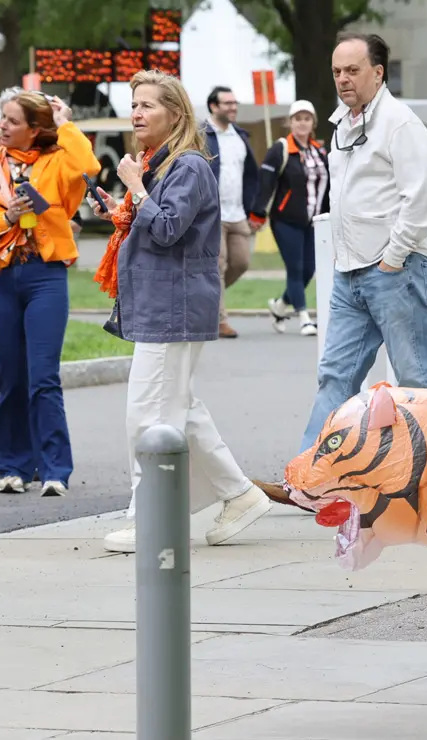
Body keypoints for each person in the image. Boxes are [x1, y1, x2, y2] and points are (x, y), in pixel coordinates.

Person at [91, 70, 273, 554]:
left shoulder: (188, 165)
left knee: (148, 417)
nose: (137, 114)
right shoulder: (162, 164)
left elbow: (169, 227)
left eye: (148, 105)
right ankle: (240, 495)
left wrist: (136, 188)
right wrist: (124, 204)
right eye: (134, 105)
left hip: (173, 308)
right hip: (160, 305)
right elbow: (156, 225)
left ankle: (150, 517)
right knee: (180, 411)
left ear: (175, 113)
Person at [298, 32, 427, 453]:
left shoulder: (401, 123)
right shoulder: (341, 122)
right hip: (349, 271)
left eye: (353, 70)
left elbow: (420, 202)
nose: (343, 79)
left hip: (393, 270)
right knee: (335, 377)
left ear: (378, 73)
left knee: (415, 380)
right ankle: (309, 477)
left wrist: (392, 261)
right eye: (337, 71)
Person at [0, 92, 98, 496]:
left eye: (12, 121)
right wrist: (5, 216)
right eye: (2, 119)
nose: (3, 126)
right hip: (1, 280)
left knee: (44, 378)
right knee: (12, 379)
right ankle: (13, 465)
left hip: (45, 278)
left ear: (34, 130)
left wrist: (65, 121)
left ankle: (55, 470)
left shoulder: (55, 163)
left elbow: (87, 166)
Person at [255, 99, 330, 337]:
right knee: (295, 268)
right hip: (285, 220)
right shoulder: (281, 149)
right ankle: (305, 317)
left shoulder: (319, 151)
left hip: (313, 221)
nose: (302, 123)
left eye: (307, 119)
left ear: (313, 123)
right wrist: (257, 213)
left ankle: (279, 305)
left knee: (309, 269)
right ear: (290, 122)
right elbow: (266, 182)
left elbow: (327, 186)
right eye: (298, 119)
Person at [200, 86, 260, 339]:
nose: (233, 107)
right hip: (214, 213)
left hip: (238, 213)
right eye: (228, 103)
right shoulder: (202, 135)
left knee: (241, 262)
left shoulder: (240, 137)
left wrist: (253, 209)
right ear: (214, 107)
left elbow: (250, 176)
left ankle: (207, 298)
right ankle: (219, 319)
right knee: (218, 265)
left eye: (235, 103)